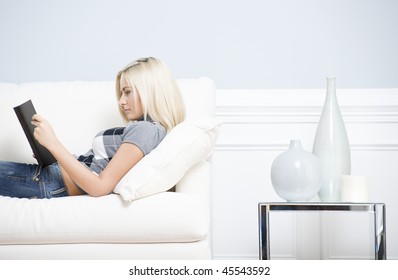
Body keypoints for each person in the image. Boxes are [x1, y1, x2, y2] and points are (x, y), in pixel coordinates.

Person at [0, 57, 186, 199]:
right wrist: (50, 151)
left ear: (150, 91)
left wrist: (54, 144)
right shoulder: (148, 130)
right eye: (121, 93)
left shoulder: (146, 131)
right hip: (53, 176)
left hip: (52, 182)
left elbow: (99, 186)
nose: (121, 101)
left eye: (127, 92)